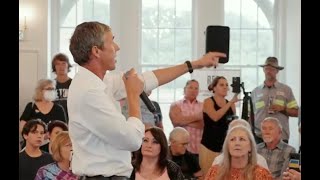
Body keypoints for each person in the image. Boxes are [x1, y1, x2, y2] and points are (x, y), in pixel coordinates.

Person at [67, 21, 226, 179]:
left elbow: (149, 79)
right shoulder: (89, 92)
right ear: (96, 51)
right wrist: (133, 95)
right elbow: (133, 139)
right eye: (111, 41)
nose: (117, 47)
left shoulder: (102, 81)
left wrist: (194, 64)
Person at [251, 57, 299, 143]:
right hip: (259, 138)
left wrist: (283, 109)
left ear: (277, 71)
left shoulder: (286, 90)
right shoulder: (255, 92)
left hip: (280, 138)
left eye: (272, 69)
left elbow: (296, 112)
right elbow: (250, 115)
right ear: (263, 70)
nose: (269, 71)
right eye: (267, 68)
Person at [200, 76, 239, 175]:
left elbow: (234, 124)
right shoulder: (208, 101)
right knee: (210, 176)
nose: (225, 87)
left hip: (225, 148)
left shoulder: (231, 104)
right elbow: (215, 117)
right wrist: (230, 102)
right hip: (209, 146)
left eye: (226, 85)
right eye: (221, 85)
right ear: (214, 88)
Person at [205, 125, 272, 180]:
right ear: (227, 147)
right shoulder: (215, 172)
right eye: (232, 139)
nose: (237, 143)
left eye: (242, 139)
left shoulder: (262, 174)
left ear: (250, 147)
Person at [169, 79, 203, 157]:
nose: (193, 90)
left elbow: (203, 124)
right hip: (179, 149)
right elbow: (176, 121)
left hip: (199, 149)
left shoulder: (203, 106)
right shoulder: (176, 105)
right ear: (185, 89)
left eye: (196, 88)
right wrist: (197, 117)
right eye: (190, 87)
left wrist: (183, 120)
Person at [51, 53, 73, 122]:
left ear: (68, 65)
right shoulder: (50, 86)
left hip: (72, 120)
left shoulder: (74, 84)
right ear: (54, 67)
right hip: (55, 121)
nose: (61, 67)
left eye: (63, 63)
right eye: (58, 64)